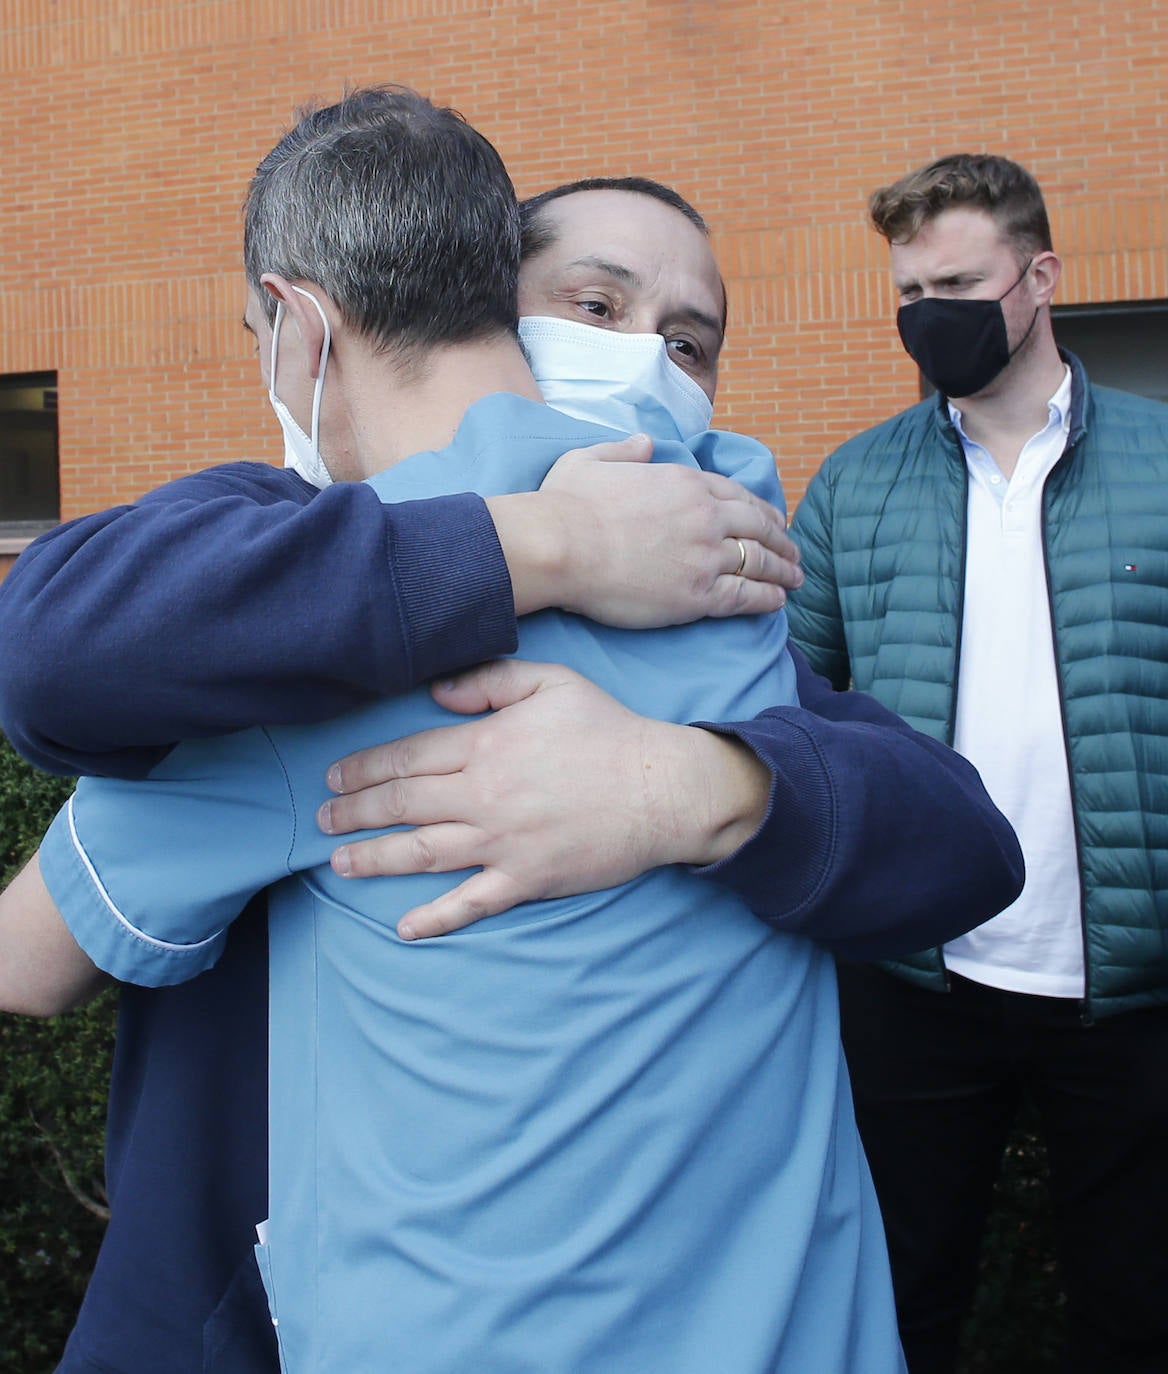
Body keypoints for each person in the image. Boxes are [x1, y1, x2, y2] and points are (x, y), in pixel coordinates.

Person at [0, 152, 1023, 1372]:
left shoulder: (718, 603)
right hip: (255, 1291)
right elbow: (58, 645)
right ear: (488, 313)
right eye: (596, 309)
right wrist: (543, 542)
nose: (644, 359)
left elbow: (963, 841)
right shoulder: (269, 567)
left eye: (689, 343)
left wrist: (689, 787)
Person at [786, 152, 1168, 1374]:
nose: (924, 315)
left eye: (953, 282)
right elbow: (791, 703)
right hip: (917, 978)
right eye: (906, 292)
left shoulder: (1162, 463)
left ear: (1039, 276)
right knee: (903, 1301)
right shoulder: (854, 484)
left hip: (1134, 987)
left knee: (1138, 1310)